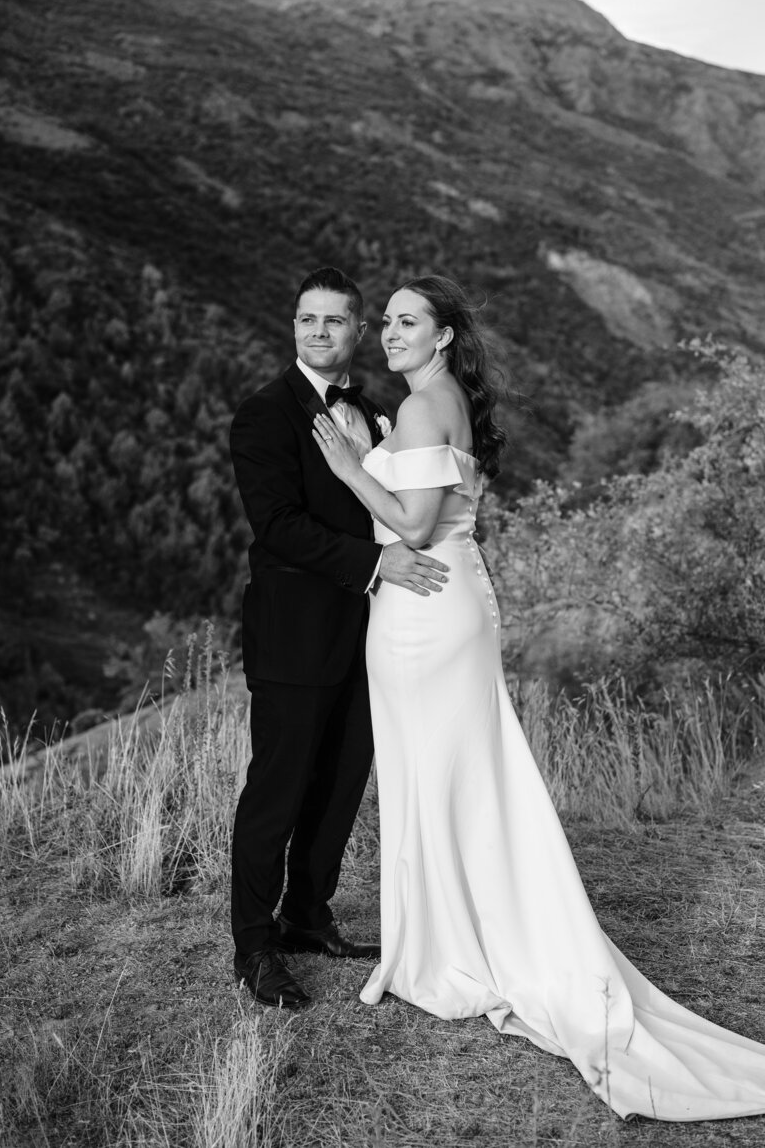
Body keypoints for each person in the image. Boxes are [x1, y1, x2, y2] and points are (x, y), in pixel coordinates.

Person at [312, 273, 765, 1121]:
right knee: (460, 775)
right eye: (389, 322)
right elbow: (436, 503)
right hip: (451, 600)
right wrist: (368, 437)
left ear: (443, 336)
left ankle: (445, 950)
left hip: (420, 605)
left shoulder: (420, 407)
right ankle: (455, 937)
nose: (391, 333)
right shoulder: (434, 401)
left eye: (410, 322)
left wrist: (346, 465)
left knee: (436, 774)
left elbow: (410, 527)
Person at [229, 266, 450, 1009]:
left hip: (373, 634)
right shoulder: (265, 414)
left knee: (340, 785)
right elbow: (280, 528)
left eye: (334, 320)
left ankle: (307, 915)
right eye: (306, 320)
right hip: (295, 636)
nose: (318, 332)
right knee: (278, 793)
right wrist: (378, 561)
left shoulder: (379, 410)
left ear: (359, 330)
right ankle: (255, 947)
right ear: (294, 328)